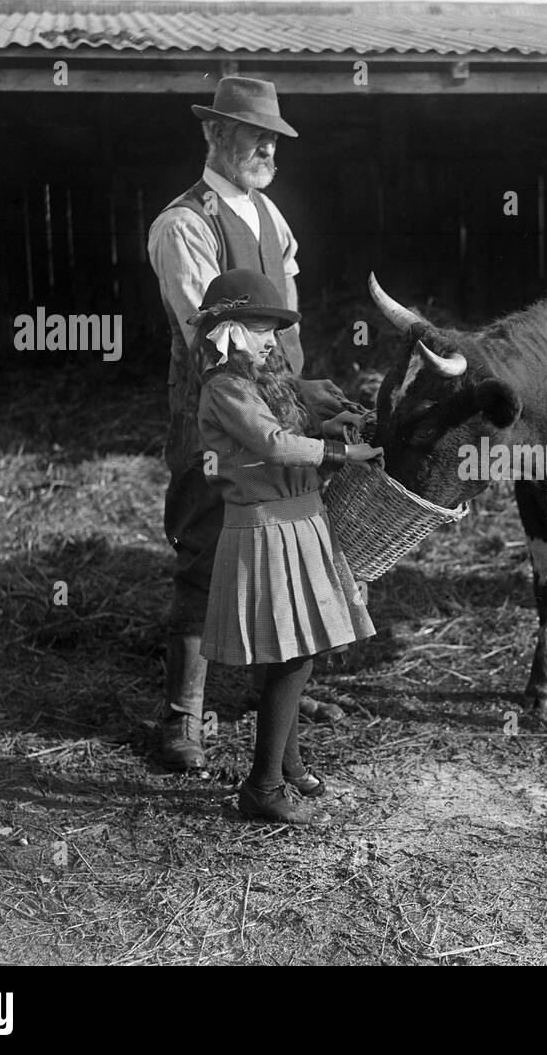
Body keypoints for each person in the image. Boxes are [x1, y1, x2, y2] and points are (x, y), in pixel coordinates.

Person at [149, 74, 362, 769]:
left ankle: (277, 703)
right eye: (254, 133)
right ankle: (185, 718)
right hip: (222, 418)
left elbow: (285, 331)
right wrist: (289, 408)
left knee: (284, 555)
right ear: (215, 133)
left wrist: (312, 397)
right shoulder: (185, 224)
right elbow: (218, 342)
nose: (268, 146)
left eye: (274, 135)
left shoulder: (273, 220)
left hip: (281, 412)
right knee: (206, 549)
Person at [192, 270, 381, 824]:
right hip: (266, 529)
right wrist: (344, 455)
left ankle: (289, 765)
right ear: (228, 330)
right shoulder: (225, 388)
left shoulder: (262, 382)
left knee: (297, 648)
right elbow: (273, 444)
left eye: (275, 327)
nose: (271, 338)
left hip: (302, 523)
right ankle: (262, 787)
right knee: (293, 655)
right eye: (259, 327)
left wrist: (337, 420)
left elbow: (289, 420)